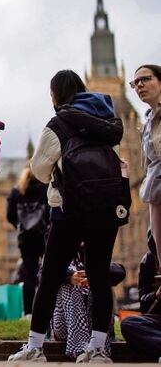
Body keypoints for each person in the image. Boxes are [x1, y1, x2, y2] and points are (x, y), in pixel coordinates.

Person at [8, 70, 123, 363]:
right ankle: (98, 349)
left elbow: (38, 170)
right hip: (105, 208)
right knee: (99, 277)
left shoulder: (59, 123)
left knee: (49, 277)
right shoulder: (108, 121)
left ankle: (34, 348)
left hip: (67, 208)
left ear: (56, 94)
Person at [6, 165, 50, 315]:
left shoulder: (17, 191)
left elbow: (10, 215)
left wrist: (19, 225)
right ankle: (49, 310)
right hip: (45, 237)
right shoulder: (46, 189)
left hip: (26, 239)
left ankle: (29, 313)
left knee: (29, 275)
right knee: (49, 273)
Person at [133, 65, 161, 263]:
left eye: (146, 79)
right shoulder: (148, 120)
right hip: (156, 192)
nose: (140, 85)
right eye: (136, 83)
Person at [120, 232, 161, 360]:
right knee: (129, 324)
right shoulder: (149, 260)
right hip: (158, 320)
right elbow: (144, 306)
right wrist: (157, 295)